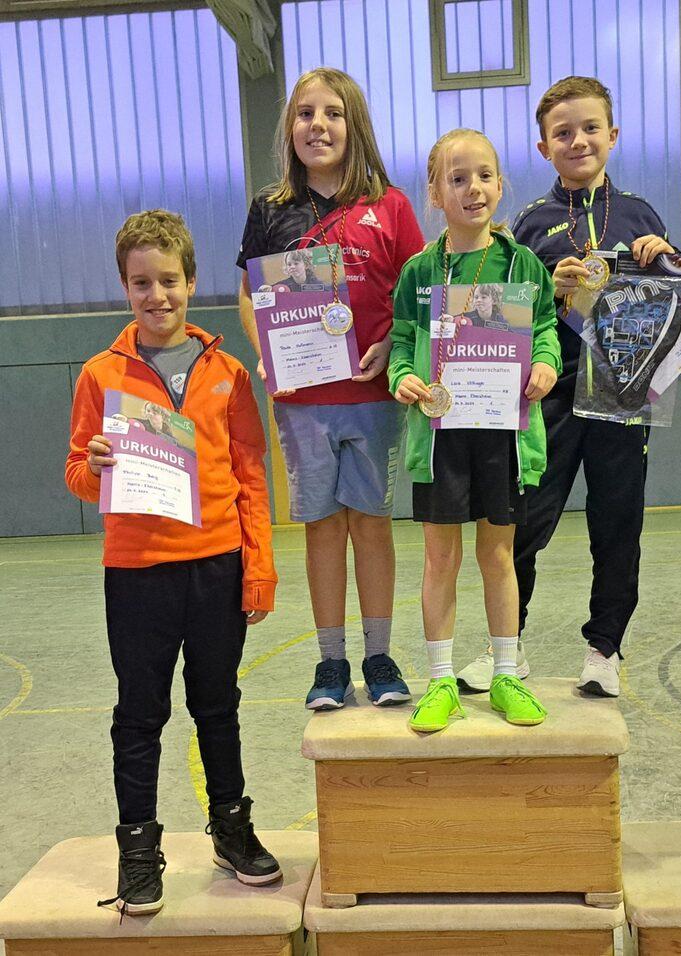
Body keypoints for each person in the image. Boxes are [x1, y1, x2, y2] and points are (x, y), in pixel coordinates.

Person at [65, 210, 281, 916]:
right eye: (140, 283)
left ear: (191, 281)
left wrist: (260, 564)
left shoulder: (227, 372)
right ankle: (137, 848)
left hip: (217, 567)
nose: (157, 295)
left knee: (218, 706)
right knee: (139, 714)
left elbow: (251, 472)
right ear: (125, 288)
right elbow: (77, 472)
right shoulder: (101, 375)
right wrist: (94, 467)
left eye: (169, 280)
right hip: (136, 573)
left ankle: (231, 827)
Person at [458, 76, 681, 698]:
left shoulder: (642, 214)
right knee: (524, 521)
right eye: (562, 132)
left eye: (590, 128)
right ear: (543, 147)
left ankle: (604, 649)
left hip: (622, 390)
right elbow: (503, 311)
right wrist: (547, 284)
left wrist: (666, 259)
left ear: (612, 136)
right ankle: (506, 649)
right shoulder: (528, 226)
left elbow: (679, 301)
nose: (578, 140)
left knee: (616, 523)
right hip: (549, 393)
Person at [236, 68, 425, 710]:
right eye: (305, 113)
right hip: (303, 400)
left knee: (371, 523)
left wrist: (395, 344)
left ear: (355, 125)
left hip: (372, 397)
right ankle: (332, 663)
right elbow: (249, 292)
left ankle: (378, 655)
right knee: (321, 527)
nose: (318, 125)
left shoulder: (391, 206)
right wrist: (266, 352)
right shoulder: (270, 208)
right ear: (289, 128)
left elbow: (416, 294)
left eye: (333, 113)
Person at [389, 128, 561, 732]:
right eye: (457, 178)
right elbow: (404, 342)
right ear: (435, 193)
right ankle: (439, 681)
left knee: (498, 554)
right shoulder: (419, 271)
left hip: (503, 433)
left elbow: (544, 328)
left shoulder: (524, 264)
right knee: (440, 557)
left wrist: (546, 363)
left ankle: (507, 670)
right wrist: (403, 376)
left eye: (484, 175)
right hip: (441, 436)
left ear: (500, 184)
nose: (473, 188)